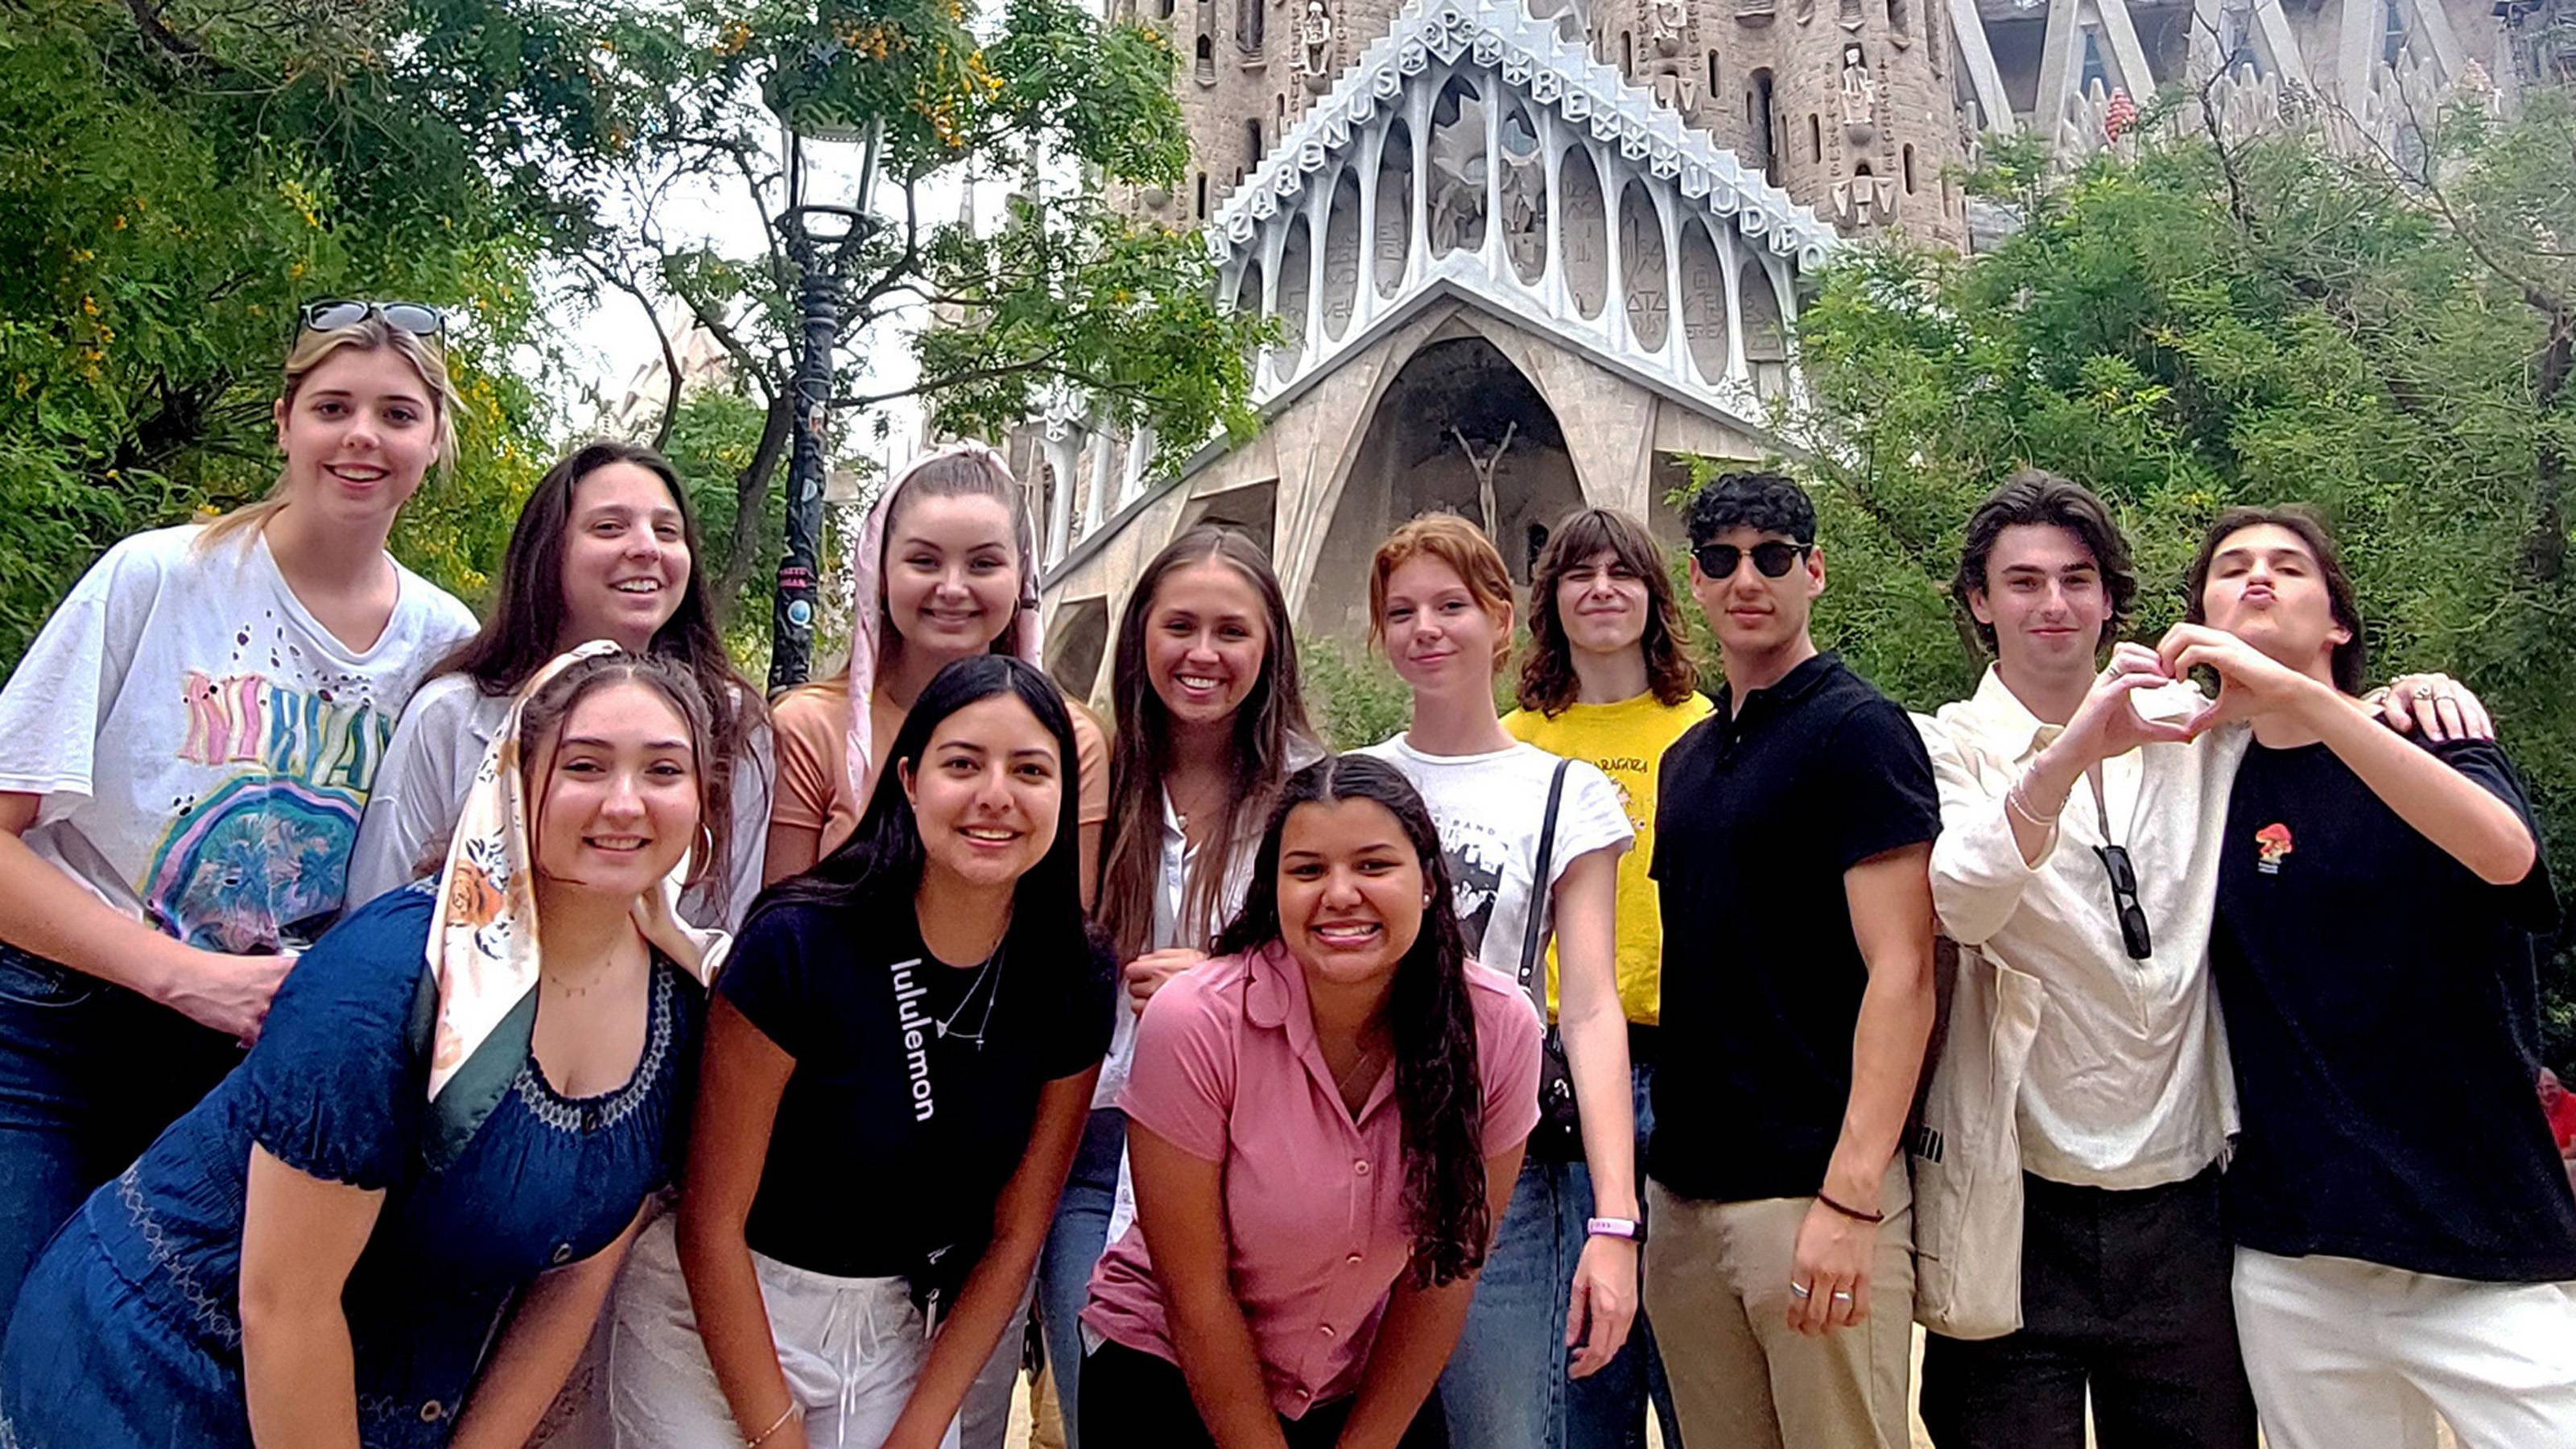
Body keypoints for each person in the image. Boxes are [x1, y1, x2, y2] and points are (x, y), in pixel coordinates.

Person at [0, 645, 729, 1447]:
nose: (623, 803)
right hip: (155, 1374)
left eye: (663, 771)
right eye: (585, 766)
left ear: (702, 799)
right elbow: (285, 1305)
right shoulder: (386, 981)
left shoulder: (679, 1010)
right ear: (517, 784)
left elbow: (580, 1267)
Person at [0, 299, 480, 1328]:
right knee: (25, 1330)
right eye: (333, 406)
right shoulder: (161, 576)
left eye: (398, 414)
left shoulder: (446, 644)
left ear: (433, 442)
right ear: (283, 424)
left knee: (167, 1365)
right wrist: (185, 976)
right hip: (58, 1030)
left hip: (256, 1058)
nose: (362, 436)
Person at [609, 654, 1112, 1449]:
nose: (994, 795)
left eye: (1030, 771)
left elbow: (1016, 1237)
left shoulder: (1073, 979)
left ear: (1064, 796)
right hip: (714, 1312)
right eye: (962, 764)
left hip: (887, 1327)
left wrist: (917, 1433)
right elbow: (709, 1221)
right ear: (909, 782)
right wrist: (776, 1434)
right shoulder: (798, 944)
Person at [2170, 506, 2576, 1447]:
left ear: (2336, 623)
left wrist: (2313, 703)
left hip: (2479, 1241)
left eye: (2286, 566)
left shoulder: (2425, 732)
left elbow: (2505, 859)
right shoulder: (2197, 779)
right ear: (2199, 617)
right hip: (2293, 1258)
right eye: (2229, 569)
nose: (2256, 578)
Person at [764, 443, 1110, 1443]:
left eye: (983, 563)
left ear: (1022, 577)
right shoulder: (813, 729)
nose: (953, 589)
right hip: (815, 1169)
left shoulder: (1073, 742)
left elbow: (1048, 958)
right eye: (923, 560)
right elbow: (779, 952)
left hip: (976, 1174)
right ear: (878, 568)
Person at [1080, 753, 1544, 1447]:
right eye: (1307, 871)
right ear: (1274, 890)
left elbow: (1446, 1273)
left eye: (1374, 866)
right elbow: (1194, 1295)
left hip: (1355, 1382)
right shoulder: (1198, 1023)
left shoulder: (1498, 1029)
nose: (1340, 893)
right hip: (1168, 1368)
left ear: (1427, 883)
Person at [1646, 471, 1938, 1449]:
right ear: (1693, 581)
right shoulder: (1685, 758)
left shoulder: (1860, 733)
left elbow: (1902, 975)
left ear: (1812, 570)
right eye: (1722, 561)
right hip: (1683, 1203)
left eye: (1772, 559)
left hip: (1811, 1196)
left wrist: (1851, 1196)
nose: (1747, 581)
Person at [1351, 512, 1643, 1448]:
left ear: (1501, 620)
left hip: (1498, 1165)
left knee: (1506, 1428)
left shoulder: (1561, 791)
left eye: (1450, 605)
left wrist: (1615, 1218)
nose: (1425, 629)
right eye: (1401, 612)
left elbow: (1589, 1006)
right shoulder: (1352, 782)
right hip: (1359, 1156)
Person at [1051, 526, 1322, 1445]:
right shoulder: (1089, 780)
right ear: (1139, 639)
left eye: (1231, 632)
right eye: (1179, 627)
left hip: (1249, 1160)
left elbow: (1356, 978)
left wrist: (1227, 983)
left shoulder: (1309, 795)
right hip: (1090, 1146)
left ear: (1269, 649)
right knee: (1109, 1417)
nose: (1202, 655)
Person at [350, 440, 772, 930]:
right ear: (548, 552)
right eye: (609, 527)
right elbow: (376, 915)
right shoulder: (451, 716)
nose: (646, 548)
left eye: (666, 530)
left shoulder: (735, 721)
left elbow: (733, 930)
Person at [1500, 506, 1707, 1448]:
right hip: (1554, 1078)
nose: (1600, 591)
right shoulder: (1510, 740)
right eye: (1577, 574)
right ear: (1551, 603)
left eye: (1621, 573)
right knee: (1583, 1355)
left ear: (1654, 597)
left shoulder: (1708, 730)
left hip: (1690, 1062)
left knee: (1697, 1363)